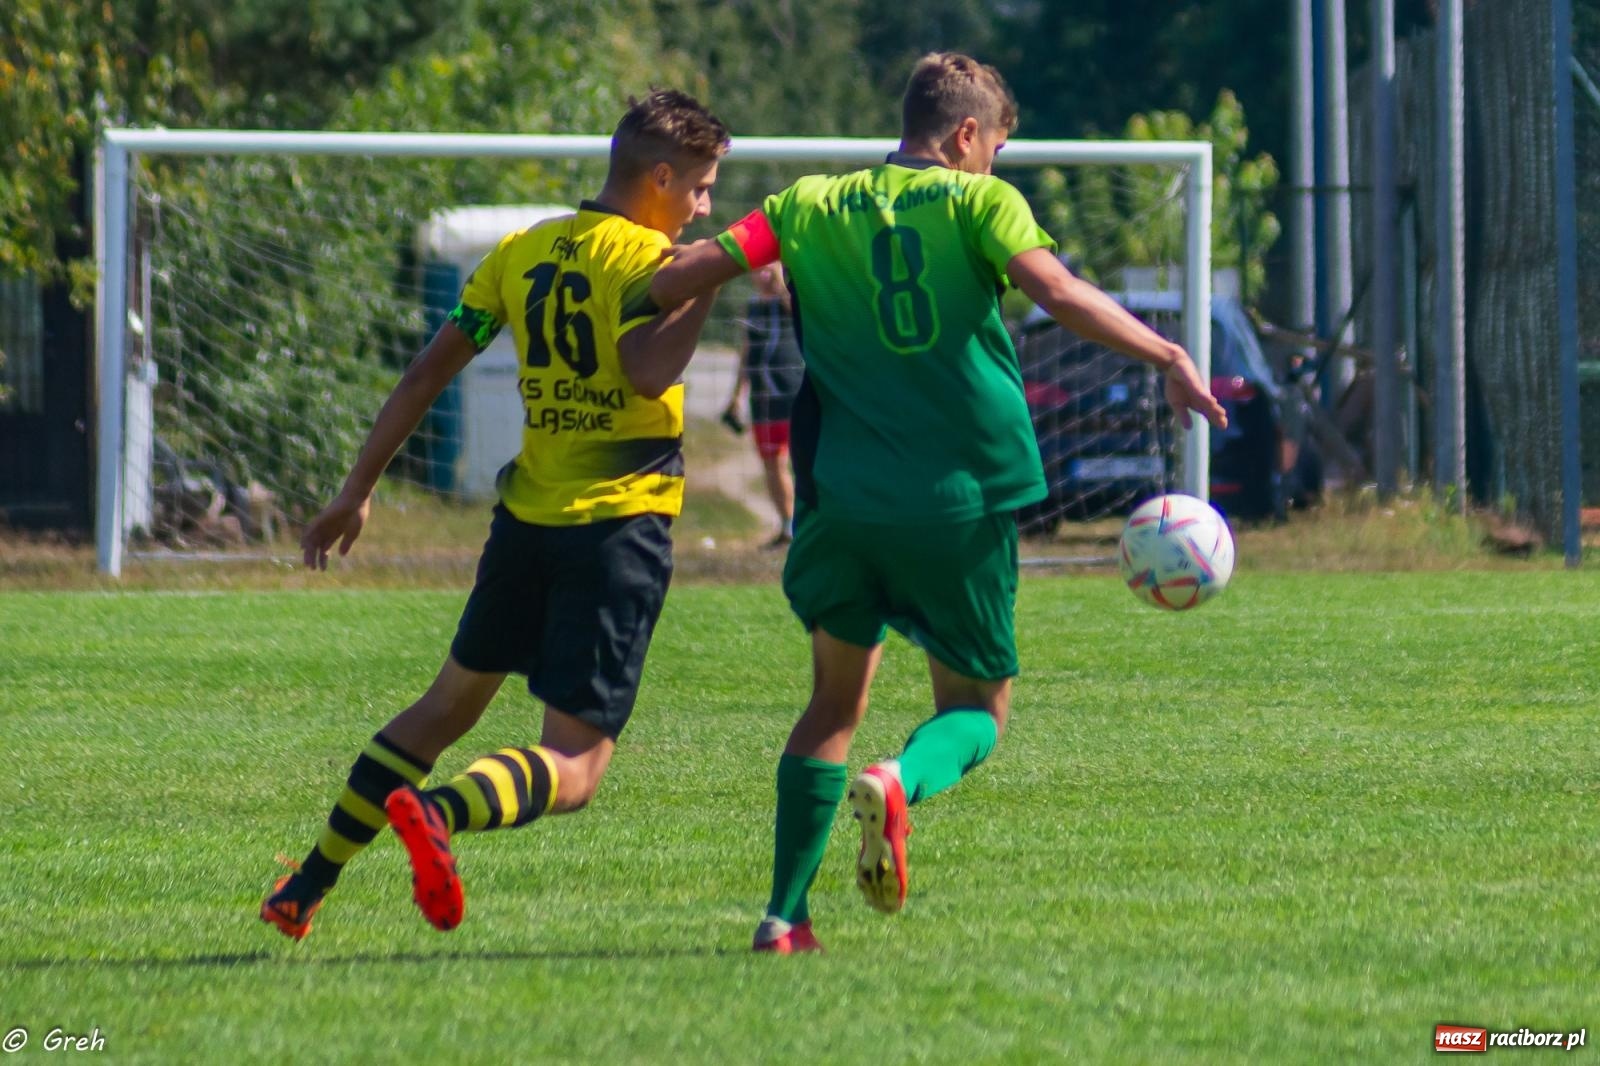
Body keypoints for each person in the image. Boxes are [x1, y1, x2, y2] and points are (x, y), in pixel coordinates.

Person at [647, 53, 1228, 954]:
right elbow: (1056, 290)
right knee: (978, 710)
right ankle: (899, 781)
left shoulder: (803, 205)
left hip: (840, 502)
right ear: (965, 135)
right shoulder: (980, 202)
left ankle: (784, 917)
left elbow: (681, 276)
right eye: (995, 145)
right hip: (959, 498)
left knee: (830, 705)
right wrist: (1169, 356)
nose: (995, 161)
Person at [259, 89, 731, 940]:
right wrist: (711, 278)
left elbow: (424, 375)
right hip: (617, 529)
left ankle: (307, 884)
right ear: (661, 177)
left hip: (524, 525)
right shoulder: (653, 261)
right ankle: (438, 813)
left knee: (443, 708)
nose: (704, 207)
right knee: (576, 765)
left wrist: (356, 490)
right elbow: (651, 372)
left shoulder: (521, 250)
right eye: (699, 188)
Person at [723, 262, 804, 547]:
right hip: (762, 399)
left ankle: (810, 525)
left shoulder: (790, 300)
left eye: (769, 269)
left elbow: (800, 317)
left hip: (792, 393)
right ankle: (787, 526)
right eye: (758, 270)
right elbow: (746, 352)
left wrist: (782, 287)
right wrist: (737, 395)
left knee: (804, 462)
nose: (763, 276)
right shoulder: (753, 305)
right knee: (772, 464)